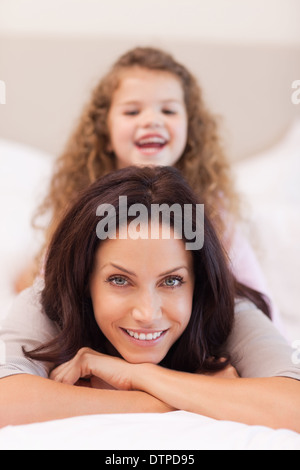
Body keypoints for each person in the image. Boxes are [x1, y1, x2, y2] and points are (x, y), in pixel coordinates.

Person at [1, 166, 299, 430]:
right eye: (119, 280)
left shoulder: (227, 309)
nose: (147, 313)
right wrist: (178, 397)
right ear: (84, 281)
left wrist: (136, 375)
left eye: (172, 281)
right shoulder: (46, 303)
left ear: (198, 282)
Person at [16, 47, 281, 329]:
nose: (152, 120)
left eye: (168, 110)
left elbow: (258, 304)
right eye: (132, 111)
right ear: (105, 134)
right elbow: (47, 290)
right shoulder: (82, 208)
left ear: (190, 132)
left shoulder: (212, 211)